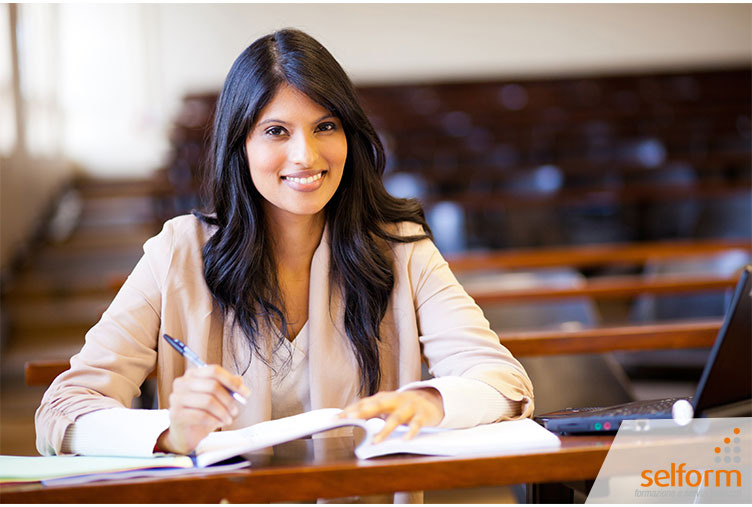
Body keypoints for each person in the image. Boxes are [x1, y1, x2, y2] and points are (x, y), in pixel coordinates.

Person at [35, 29, 533, 465]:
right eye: (276, 131)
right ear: (241, 144)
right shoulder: (178, 253)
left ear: (349, 135)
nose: (306, 155)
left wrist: (432, 402)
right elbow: (63, 410)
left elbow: (502, 382)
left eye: (325, 127)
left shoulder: (401, 250)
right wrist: (170, 432)